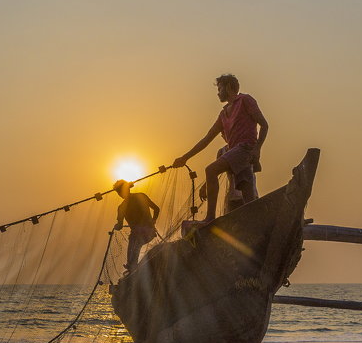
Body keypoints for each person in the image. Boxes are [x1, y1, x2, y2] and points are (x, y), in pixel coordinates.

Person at [173, 73, 268, 222]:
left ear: (229, 87)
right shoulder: (223, 114)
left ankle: (210, 217)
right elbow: (206, 139)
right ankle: (257, 223)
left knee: (210, 170)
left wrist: (257, 149)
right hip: (236, 154)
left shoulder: (245, 100)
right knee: (248, 197)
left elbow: (264, 125)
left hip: (245, 149)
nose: (218, 93)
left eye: (219, 89)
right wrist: (185, 158)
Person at [112, 179, 161, 271]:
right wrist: (153, 221)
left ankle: (132, 268)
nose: (120, 194)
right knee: (134, 249)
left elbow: (119, 226)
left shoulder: (122, 207)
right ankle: (132, 266)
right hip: (149, 232)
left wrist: (116, 226)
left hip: (139, 234)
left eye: (120, 192)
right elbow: (156, 209)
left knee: (133, 253)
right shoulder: (140, 196)